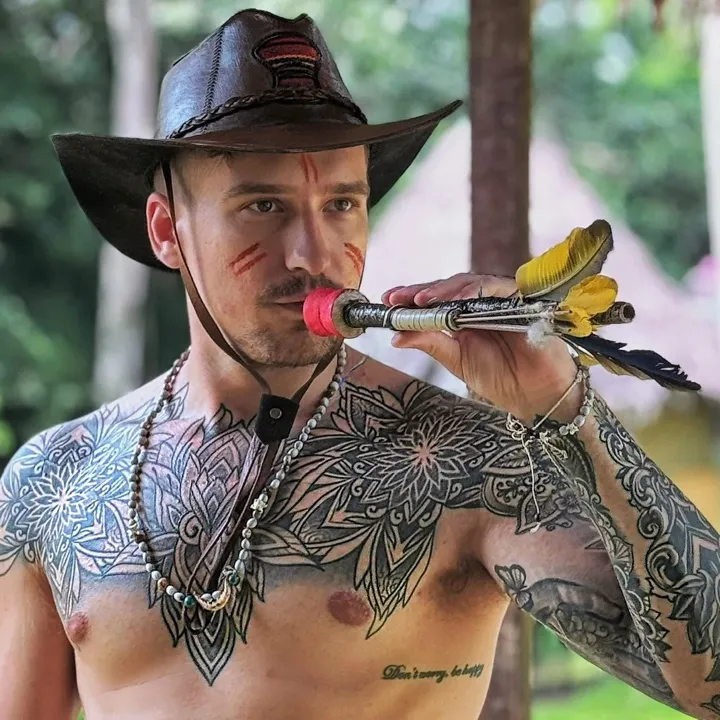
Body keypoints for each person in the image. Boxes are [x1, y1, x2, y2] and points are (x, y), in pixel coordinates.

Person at [0, 8, 717, 720]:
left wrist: (569, 409)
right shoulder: (52, 480)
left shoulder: (466, 459)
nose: (313, 254)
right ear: (167, 230)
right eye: (263, 206)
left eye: (341, 203)